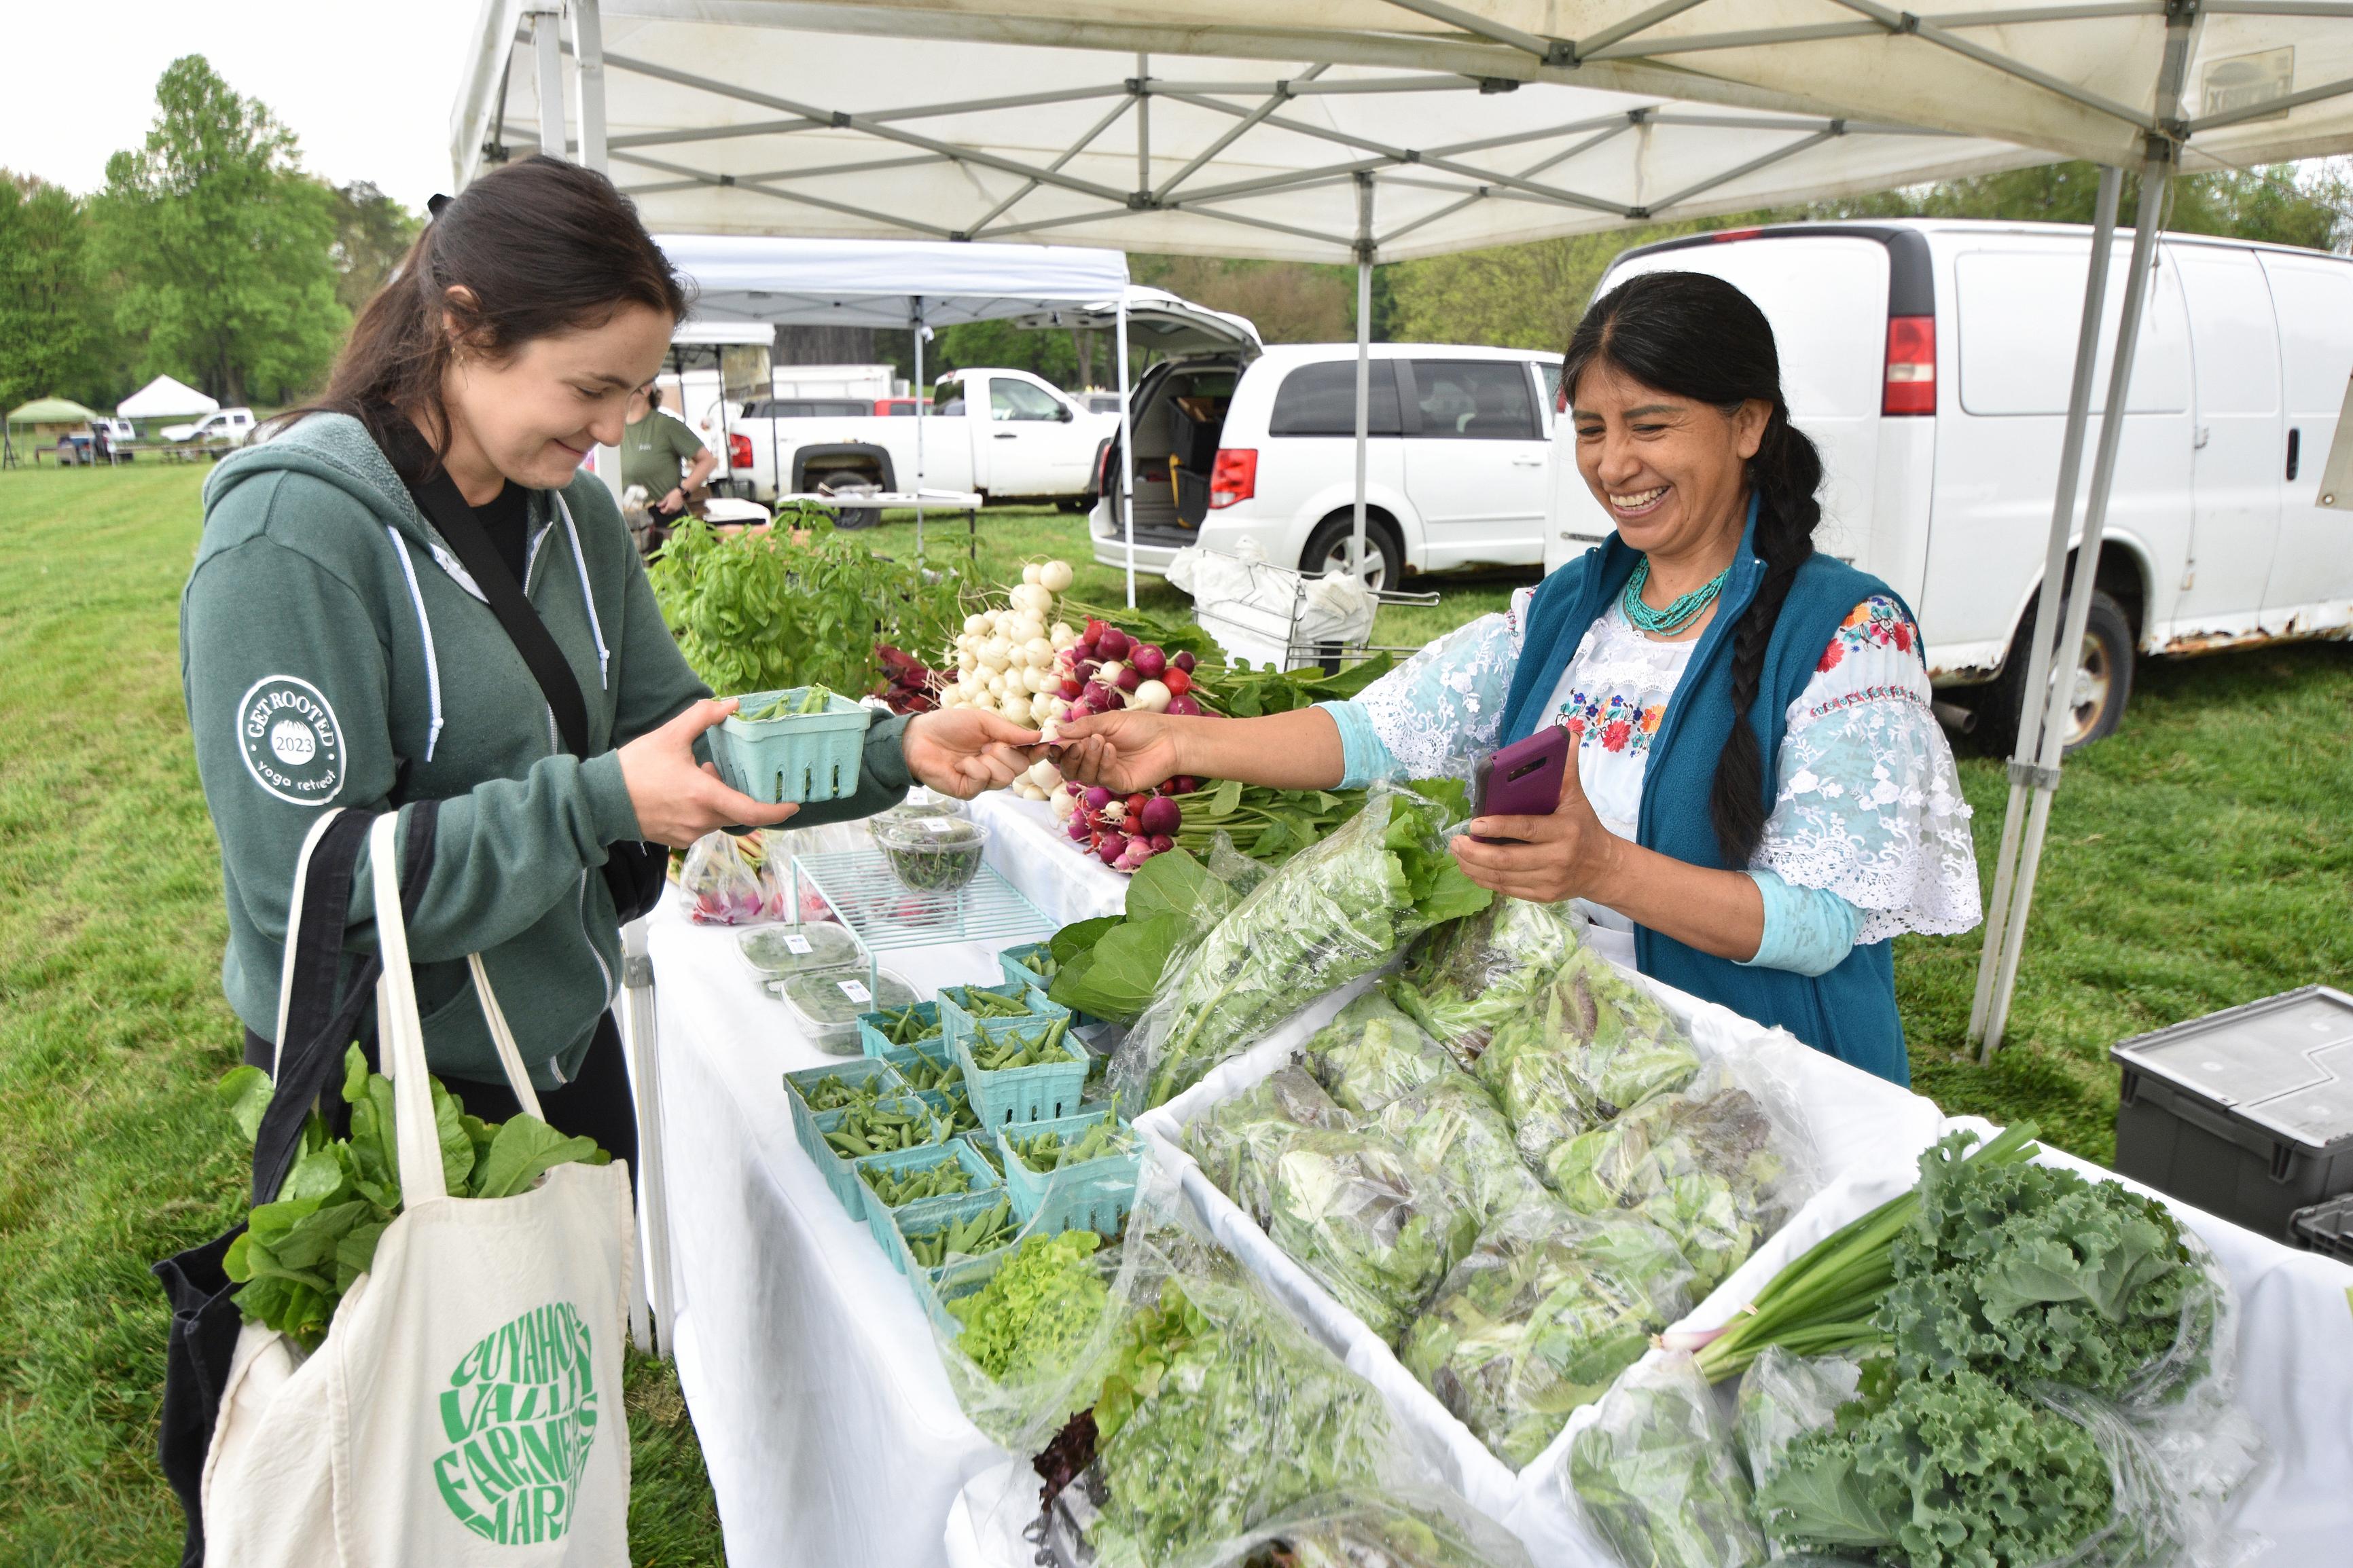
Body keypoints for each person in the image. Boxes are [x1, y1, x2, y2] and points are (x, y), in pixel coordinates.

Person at [182, 155, 1037, 1167]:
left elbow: (688, 745)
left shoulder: (578, 519)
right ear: (465, 325)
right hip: (385, 1086)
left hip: (564, 1047)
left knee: (592, 1320)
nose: (614, 431)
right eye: (591, 388)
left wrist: (899, 749)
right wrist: (596, 806)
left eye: (637, 392)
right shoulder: (291, 536)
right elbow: (309, 885)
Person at [1056, 272, 1979, 1084]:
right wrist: (1180, 740)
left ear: (1748, 424)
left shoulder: (1848, 633)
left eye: (1651, 426)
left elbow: (1822, 922)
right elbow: (1382, 731)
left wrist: (1603, 867)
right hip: (1580, 1066)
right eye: (1592, 430)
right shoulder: (1572, 610)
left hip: (1763, 1086)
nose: (1616, 465)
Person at [623, 382, 714, 525]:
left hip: (663, 519)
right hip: (625, 520)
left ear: (646, 389)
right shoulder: (614, 428)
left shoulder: (666, 426)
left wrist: (682, 492)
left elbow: (707, 461)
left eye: (626, 385)